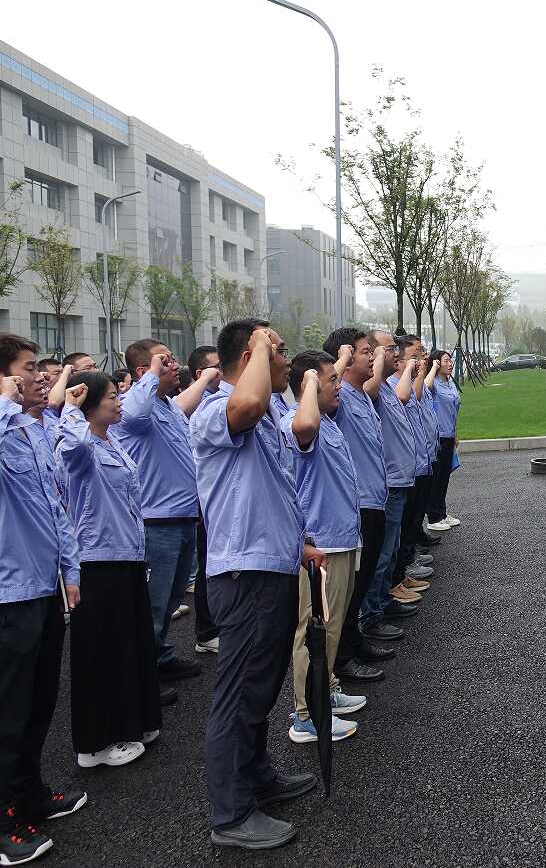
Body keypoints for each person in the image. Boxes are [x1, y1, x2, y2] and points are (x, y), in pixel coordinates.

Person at [191, 319, 324, 850]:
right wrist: (258, 348)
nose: (286, 358)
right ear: (248, 357)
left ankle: (257, 775)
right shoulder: (214, 410)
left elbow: (276, 485)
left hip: (271, 566)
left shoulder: (267, 415)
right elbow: (244, 404)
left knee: (261, 688)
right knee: (239, 693)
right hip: (243, 575)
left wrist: (299, 542)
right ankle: (230, 814)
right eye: (276, 349)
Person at [0, 334, 86, 867]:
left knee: (38, 702)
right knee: (8, 710)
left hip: (44, 585)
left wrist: (69, 569)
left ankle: (29, 793)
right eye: (29, 368)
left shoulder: (33, 430)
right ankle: (5, 816)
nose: (41, 377)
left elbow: (56, 506)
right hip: (9, 593)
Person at [54, 373, 162, 769]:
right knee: (100, 652)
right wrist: (70, 408)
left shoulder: (111, 440)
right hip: (96, 562)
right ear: (90, 405)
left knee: (129, 646)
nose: (120, 402)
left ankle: (133, 724)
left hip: (126, 557)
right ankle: (96, 744)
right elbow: (74, 446)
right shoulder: (78, 446)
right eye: (113, 397)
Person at [116, 340, 219, 685]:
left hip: (183, 516)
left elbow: (183, 404)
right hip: (157, 520)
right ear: (143, 371)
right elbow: (132, 414)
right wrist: (150, 375)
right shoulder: (134, 405)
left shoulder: (164, 405)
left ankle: (159, 656)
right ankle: (142, 678)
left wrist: (206, 379)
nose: (175, 365)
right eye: (166, 360)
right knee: (154, 603)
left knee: (172, 597)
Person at [281, 351, 365, 743]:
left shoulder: (329, 422)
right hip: (321, 545)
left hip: (342, 538)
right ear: (308, 385)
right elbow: (303, 427)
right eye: (331, 380)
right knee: (314, 629)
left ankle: (325, 690)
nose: (338, 385)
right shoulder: (299, 421)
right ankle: (306, 715)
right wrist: (312, 384)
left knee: (332, 626)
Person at [321, 328, 394, 684]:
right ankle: (343, 658)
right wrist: (340, 361)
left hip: (374, 501)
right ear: (346, 358)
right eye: (366, 352)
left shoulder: (361, 395)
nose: (372, 356)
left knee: (359, 586)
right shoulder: (339, 400)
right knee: (349, 591)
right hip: (359, 504)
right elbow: (318, 393)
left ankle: (354, 641)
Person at [359, 330, 422, 644]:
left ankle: (382, 601)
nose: (395, 352)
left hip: (397, 481)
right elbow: (375, 389)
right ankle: (371, 614)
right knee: (382, 554)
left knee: (390, 549)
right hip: (388, 484)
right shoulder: (372, 388)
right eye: (389, 349)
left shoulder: (384, 387)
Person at [391, 335, 437, 607]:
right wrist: (416, 371)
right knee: (402, 527)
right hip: (406, 469)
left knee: (411, 521)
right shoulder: (392, 386)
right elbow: (408, 397)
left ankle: (403, 571)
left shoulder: (407, 382)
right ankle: (399, 574)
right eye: (414, 355)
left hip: (420, 461)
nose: (421, 359)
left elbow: (418, 398)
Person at [186, 345, 222, 655]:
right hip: (203, 499)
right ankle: (207, 630)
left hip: (206, 498)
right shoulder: (202, 405)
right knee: (207, 565)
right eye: (217, 367)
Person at [425, 349, 463, 533]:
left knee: (444, 477)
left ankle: (442, 512)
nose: (450, 363)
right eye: (445, 361)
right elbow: (425, 388)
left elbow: (454, 408)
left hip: (449, 435)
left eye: (450, 360)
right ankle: (433, 517)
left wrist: (455, 433)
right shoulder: (433, 383)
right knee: (437, 478)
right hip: (437, 437)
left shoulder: (449, 382)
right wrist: (433, 367)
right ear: (437, 363)